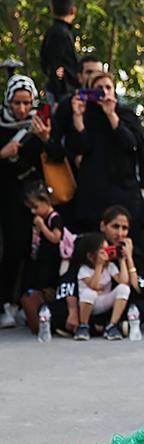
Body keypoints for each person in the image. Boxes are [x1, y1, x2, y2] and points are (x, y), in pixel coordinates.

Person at [0, 75, 65, 328]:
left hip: (35, 198)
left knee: (35, 250)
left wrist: (46, 138)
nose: (22, 109)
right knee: (14, 248)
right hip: (7, 198)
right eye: (17, 103)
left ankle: (25, 302)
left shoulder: (39, 124)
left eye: (27, 102)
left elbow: (59, 156)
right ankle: (5, 303)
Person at [64, 72, 144, 232]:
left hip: (123, 193)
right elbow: (79, 148)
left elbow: (131, 144)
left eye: (108, 87)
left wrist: (111, 115)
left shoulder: (126, 116)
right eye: (98, 89)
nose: (104, 92)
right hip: (93, 196)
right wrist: (78, 119)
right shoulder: (85, 117)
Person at [18, 183, 64, 334]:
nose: (33, 211)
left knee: (48, 288)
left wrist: (42, 227)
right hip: (41, 259)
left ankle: (50, 315)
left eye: (36, 207)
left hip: (52, 260)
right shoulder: (41, 218)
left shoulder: (54, 218)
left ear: (46, 202)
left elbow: (56, 238)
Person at [100, 205, 144, 327]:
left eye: (124, 228)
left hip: (124, 299)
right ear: (103, 226)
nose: (120, 234)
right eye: (115, 227)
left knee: (140, 306)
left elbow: (138, 289)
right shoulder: (92, 248)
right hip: (99, 300)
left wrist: (128, 258)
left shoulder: (135, 253)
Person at [72, 232, 131, 341]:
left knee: (124, 289)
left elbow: (124, 281)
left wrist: (122, 260)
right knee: (90, 293)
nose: (107, 254)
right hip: (89, 304)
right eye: (103, 252)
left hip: (104, 300)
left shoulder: (110, 267)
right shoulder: (84, 270)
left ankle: (112, 325)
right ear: (90, 256)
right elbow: (94, 285)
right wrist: (99, 265)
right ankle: (84, 325)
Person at [39, 0, 79, 104]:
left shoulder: (53, 32)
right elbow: (55, 68)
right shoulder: (61, 33)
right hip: (62, 94)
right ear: (73, 10)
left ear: (52, 9)